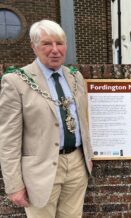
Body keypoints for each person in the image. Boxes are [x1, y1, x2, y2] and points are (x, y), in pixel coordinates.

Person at [0, 20, 94, 217]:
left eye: (59, 43)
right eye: (46, 44)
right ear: (34, 47)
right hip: (40, 169)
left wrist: (88, 158)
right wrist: (14, 184)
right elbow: (8, 139)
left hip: (76, 164)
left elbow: (83, 122)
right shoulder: (16, 81)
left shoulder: (75, 77)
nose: (55, 50)